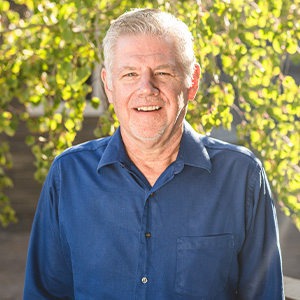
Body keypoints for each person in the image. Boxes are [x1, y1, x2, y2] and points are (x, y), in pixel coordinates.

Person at [24, 8, 284, 299]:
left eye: (163, 72)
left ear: (192, 81)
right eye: (130, 74)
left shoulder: (242, 178)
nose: (146, 88)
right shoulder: (68, 175)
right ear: (108, 85)